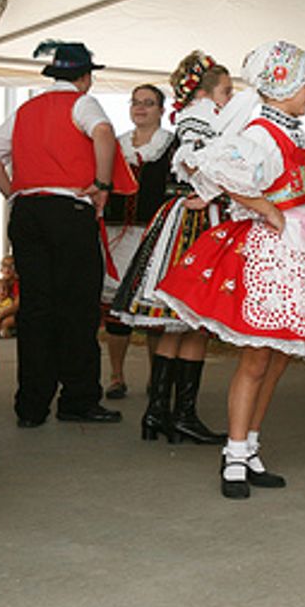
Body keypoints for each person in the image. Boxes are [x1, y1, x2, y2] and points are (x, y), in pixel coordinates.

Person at [156, 40, 305, 498]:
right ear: (284, 86)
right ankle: (234, 454)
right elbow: (215, 165)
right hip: (270, 251)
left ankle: (250, 446)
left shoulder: (293, 133)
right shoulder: (260, 133)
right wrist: (264, 206)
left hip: (299, 248)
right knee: (256, 356)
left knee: (278, 356)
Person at [0, 40, 134, 427]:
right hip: (69, 210)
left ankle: (31, 406)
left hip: (28, 212)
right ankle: (78, 399)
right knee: (78, 308)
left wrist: (14, 192)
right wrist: (102, 183)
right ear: (86, 77)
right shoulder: (81, 103)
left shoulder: (26, 109)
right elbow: (103, 132)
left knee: (36, 308)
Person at [111, 52, 232, 445]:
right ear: (206, 93)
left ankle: (159, 412)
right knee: (193, 320)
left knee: (178, 322)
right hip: (193, 221)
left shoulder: (191, 118)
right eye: (226, 91)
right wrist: (214, 190)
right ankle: (181, 415)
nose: (230, 98)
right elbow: (195, 162)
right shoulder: (201, 118)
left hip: (180, 217)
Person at [100, 84, 175, 399]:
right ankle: (116, 377)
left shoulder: (172, 146)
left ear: (161, 110)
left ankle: (156, 380)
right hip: (118, 238)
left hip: (156, 237)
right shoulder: (116, 145)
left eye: (148, 103)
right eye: (135, 102)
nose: (140, 108)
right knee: (116, 313)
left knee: (153, 313)